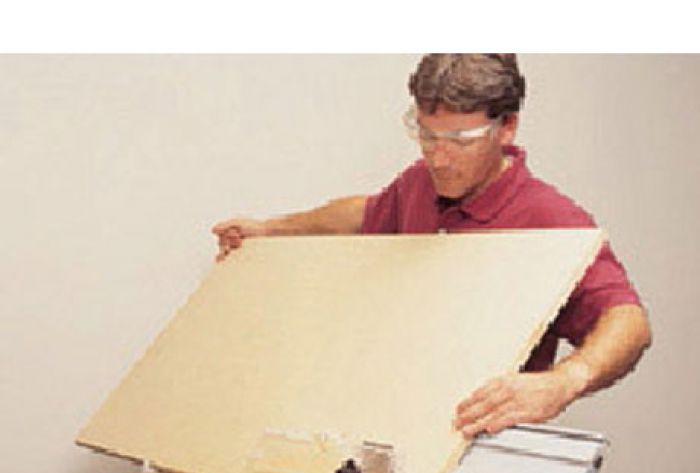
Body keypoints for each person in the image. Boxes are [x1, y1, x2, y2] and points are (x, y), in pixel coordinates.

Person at [211, 54, 651, 440]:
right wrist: (270, 229)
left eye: (460, 140)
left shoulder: (551, 219)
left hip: (483, 444)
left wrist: (565, 381)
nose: (438, 158)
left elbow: (629, 321)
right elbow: (363, 214)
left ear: (507, 127)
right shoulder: (419, 184)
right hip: (397, 433)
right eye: (427, 135)